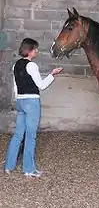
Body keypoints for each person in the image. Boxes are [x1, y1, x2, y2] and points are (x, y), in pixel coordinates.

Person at [4, 38, 63, 177]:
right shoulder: (32, 66)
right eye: (35, 49)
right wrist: (52, 74)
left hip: (20, 101)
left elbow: (15, 87)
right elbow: (41, 85)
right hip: (31, 102)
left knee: (18, 134)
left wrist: (18, 100)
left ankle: (9, 166)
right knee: (31, 136)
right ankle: (29, 169)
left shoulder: (15, 65)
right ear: (29, 50)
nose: (36, 51)